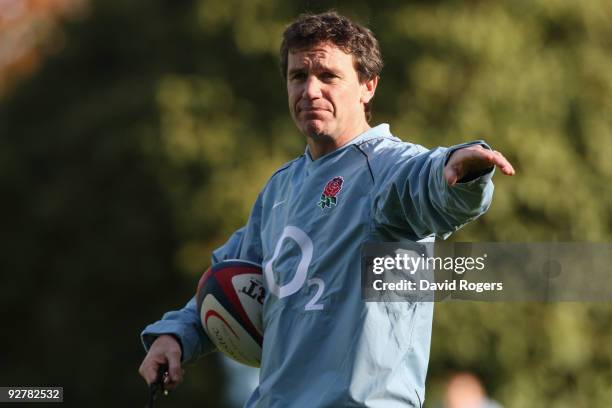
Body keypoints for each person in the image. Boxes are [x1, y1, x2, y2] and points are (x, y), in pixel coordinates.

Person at [139, 11, 515, 407]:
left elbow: (425, 186)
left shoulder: (387, 167)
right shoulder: (280, 189)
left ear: (368, 86)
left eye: (328, 76)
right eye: (298, 76)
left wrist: (460, 170)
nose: (310, 90)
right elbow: (225, 277)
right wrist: (175, 336)